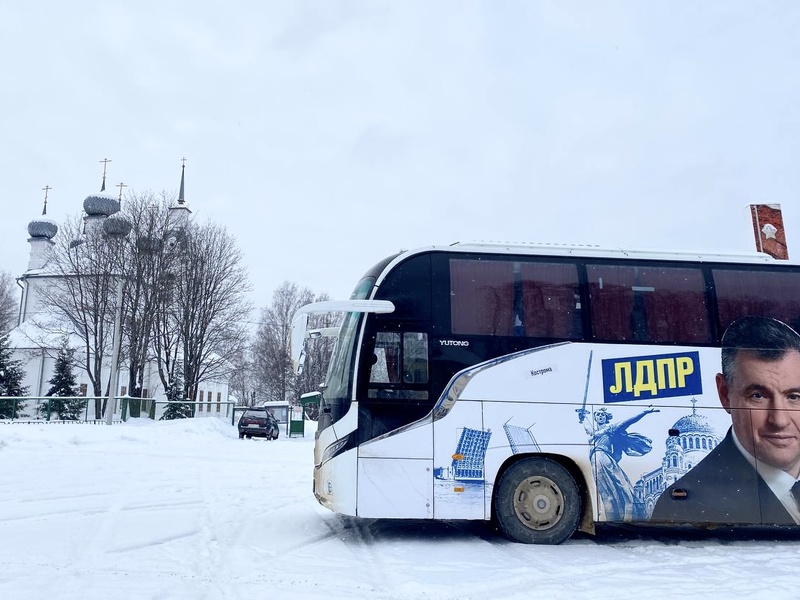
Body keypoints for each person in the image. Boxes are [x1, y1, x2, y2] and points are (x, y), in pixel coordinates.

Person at [652, 316, 800, 525]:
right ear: (724, 394)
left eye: (794, 397)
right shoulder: (689, 503)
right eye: (758, 395)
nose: (779, 420)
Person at [579, 406, 659, 521]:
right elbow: (588, 428)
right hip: (597, 460)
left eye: (602, 415)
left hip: (603, 458)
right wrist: (583, 417)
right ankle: (614, 520)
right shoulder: (594, 432)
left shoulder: (610, 429)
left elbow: (627, 421)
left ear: (606, 418)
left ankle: (626, 517)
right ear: (595, 418)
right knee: (607, 493)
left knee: (622, 489)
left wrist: (643, 412)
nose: (600, 416)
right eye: (598, 415)